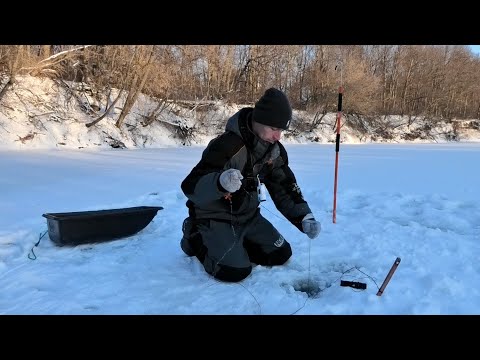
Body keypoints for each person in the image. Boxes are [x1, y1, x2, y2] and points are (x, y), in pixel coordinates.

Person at [180, 87, 321, 282]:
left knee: (280, 254)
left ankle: (236, 243)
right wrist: (220, 182)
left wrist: (304, 216)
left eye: (281, 130)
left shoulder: (274, 152)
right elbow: (190, 187)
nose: (278, 136)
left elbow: (284, 186)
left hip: (248, 217)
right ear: (258, 120)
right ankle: (194, 237)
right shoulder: (227, 145)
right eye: (274, 129)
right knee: (234, 271)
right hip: (215, 217)